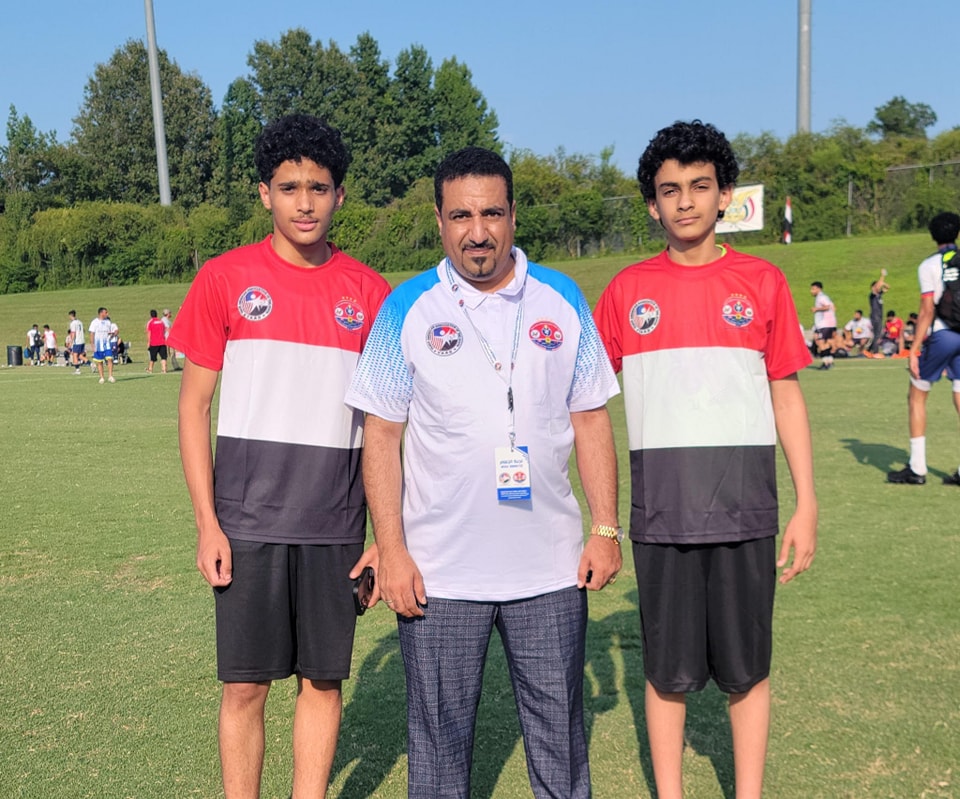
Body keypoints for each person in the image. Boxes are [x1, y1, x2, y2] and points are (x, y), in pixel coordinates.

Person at [346, 146, 621, 799]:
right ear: (439, 220)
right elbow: (381, 435)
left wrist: (606, 528)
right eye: (461, 215)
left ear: (513, 215)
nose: (478, 232)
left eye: (492, 213)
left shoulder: (562, 297)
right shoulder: (406, 306)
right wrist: (392, 550)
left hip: (551, 570)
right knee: (438, 759)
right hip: (439, 573)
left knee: (560, 752)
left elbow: (591, 419)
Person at [168, 113, 391, 799]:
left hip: (335, 525)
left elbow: (389, 427)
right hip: (247, 524)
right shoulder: (223, 278)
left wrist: (386, 536)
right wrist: (207, 524)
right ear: (264, 193)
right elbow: (193, 408)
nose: (304, 203)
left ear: (339, 195)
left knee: (323, 681)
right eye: (289, 187)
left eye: (318, 188)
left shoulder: (371, 292)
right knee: (245, 687)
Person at [593, 120, 817, 799]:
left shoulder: (763, 281)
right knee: (667, 673)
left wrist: (807, 504)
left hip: (747, 512)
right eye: (670, 190)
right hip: (663, 517)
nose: (685, 201)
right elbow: (586, 405)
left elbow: (786, 393)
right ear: (651, 204)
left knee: (747, 671)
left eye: (699, 186)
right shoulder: (625, 291)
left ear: (725, 196)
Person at [887, 211, 960, 486]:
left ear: (932, 236)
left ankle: (917, 468)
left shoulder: (929, 265)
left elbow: (927, 310)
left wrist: (914, 349)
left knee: (917, 395)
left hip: (944, 334)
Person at [810, 281, 837, 369]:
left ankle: (825, 362)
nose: (811, 291)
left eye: (813, 289)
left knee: (820, 342)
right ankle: (829, 361)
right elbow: (833, 307)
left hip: (824, 324)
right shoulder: (825, 297)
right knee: (826, 343)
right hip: (828, 324)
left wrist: (816, 309)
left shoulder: (821, 297)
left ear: (819, 289)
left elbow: (827, 306)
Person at [89, 308, 116, 384]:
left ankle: (110, 376)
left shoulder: (108, 322)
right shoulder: (94, 322)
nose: (107, 314)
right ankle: (102, 377)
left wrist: (112, 335)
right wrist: (92, 344)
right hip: (98, 345)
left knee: (110, 359)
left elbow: (109, 332)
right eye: (106, 312)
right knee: (99, 361)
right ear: (101, 313)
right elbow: (92, 333)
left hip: (107, 344)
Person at [867, 269, 890, 355]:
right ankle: (875, 351)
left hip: (879, 316)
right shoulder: (872, 295)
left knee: (877, 333)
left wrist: (883, 283)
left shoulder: (879, 294)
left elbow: (888, 287)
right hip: (875, 316)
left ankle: (869, 350)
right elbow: (877, 287)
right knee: (877, 334)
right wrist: (882, 275)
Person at [145, 309, 168, 374]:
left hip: (154, 343)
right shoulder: (161, 322)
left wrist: (148, 342)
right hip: (162, 342)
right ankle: (164, 369)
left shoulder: (150, 322)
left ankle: (150, 369)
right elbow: (164, 330)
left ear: (151, 315)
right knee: (163, 357)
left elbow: (149, 332)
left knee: (152, 357)